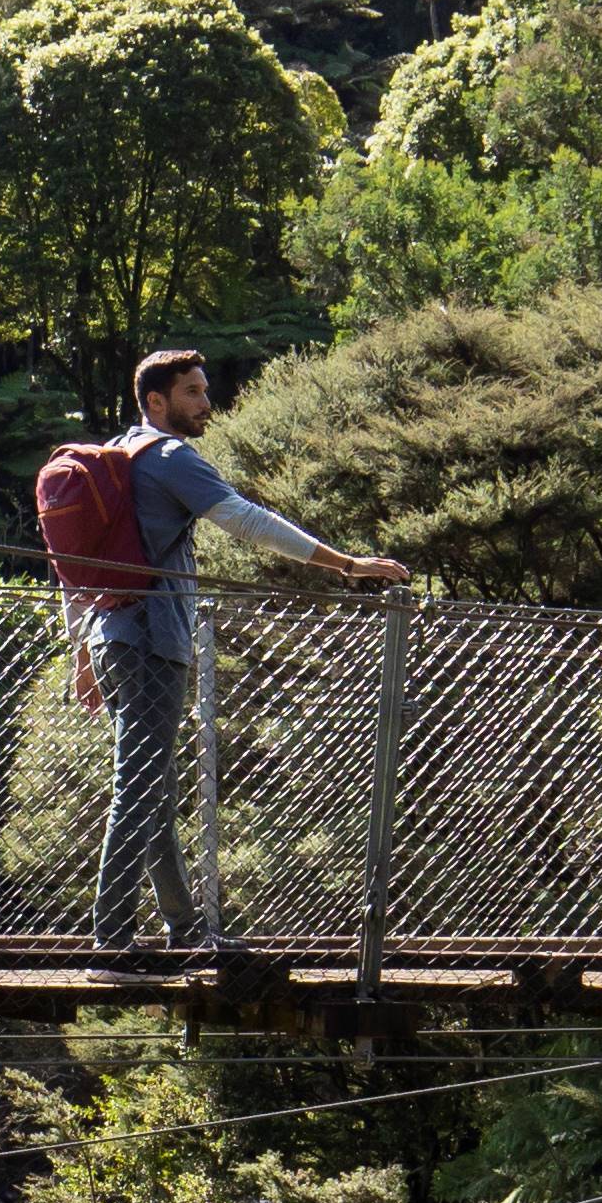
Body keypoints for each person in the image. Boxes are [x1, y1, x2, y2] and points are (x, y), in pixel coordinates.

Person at [77, 345, 405, 954]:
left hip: (111, 639)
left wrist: (80, 655)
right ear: (157, 401)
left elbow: (78, 566)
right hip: (154, 639)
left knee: (152, 784)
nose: (208, 403)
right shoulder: (169, 456)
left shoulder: (117, 453)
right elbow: (246, 520)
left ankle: (183, 928)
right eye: (193, 392)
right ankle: (112, 939)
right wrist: (347, 564)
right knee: (139, 783)